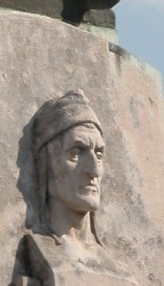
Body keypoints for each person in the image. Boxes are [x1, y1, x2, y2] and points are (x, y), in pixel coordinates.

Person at [30, 90, 107, 245]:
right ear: (48, 161)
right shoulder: (39, 250)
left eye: (99, 155)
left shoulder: (114, 265)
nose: (94, 171)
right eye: (76, 153)